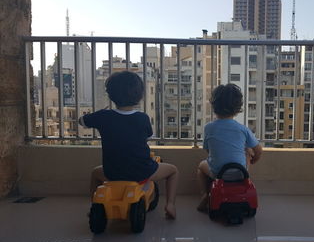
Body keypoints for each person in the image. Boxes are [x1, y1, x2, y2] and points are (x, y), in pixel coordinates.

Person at [80, 71, 178, 219]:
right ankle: (170, 204)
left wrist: (99, 113)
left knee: (95, 173)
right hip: (142, 172)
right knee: (173, 171)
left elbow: (81, 121)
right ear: (139, 96)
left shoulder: (103, 117)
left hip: (113, 173)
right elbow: (148, 135)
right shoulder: (142, 118)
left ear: (111, 95)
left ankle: (94, 206)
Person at [196, 83, 263, 211]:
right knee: (247, 151)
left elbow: (208, 150)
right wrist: (253, 160)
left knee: (201, 166)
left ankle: (205, 195)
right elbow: (258, 150)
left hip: (218, 174)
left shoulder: (208, 128)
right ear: (238, 108)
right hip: (240, 173)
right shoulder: (243, 129)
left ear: (214, 105)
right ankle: (246, 182)